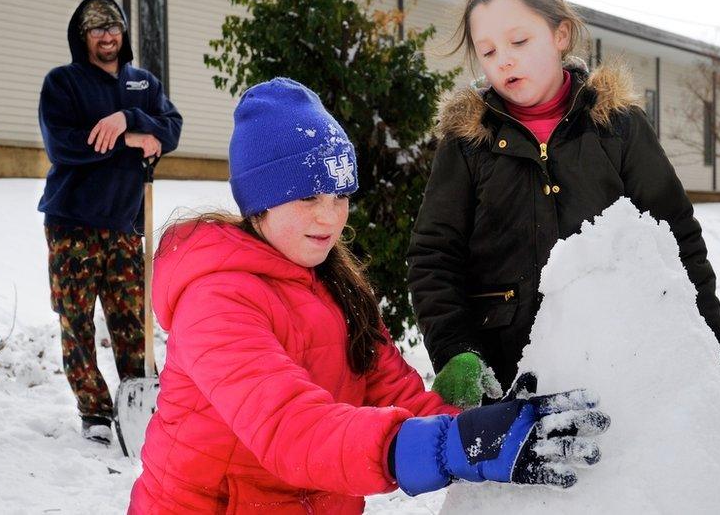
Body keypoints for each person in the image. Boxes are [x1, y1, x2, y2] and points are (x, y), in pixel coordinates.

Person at [127, 78, 609, 513]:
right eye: (308, 198)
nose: (329, 218)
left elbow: (398, 396)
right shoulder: (215, 297)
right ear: (260, 202)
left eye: (340, 196)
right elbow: (290, 430)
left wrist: (492, 425)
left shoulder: (335, 288)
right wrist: (453, 445)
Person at [407, 0, 720, 409]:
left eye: (519, 42)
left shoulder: (616, 128)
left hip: (616, 373)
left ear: (561, 34)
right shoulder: (468, 144)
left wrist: (713, 352)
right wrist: (455, 352)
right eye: (487, 50)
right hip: (504, 382)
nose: (503, 59)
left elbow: (677, 240)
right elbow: (434, 255)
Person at [37, 0, 182, 444]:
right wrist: (130, 139)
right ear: (83, 37)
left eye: (113, 27)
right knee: (76, 319)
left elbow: (171, 127)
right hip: (72, 223)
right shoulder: (62, 83)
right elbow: (64, 147)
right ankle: (95, 412)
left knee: (132, 321)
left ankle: (143, 403)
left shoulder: (142, 84)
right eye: (97, 29)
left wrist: (127, 118)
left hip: (124, 226)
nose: (107, 36)